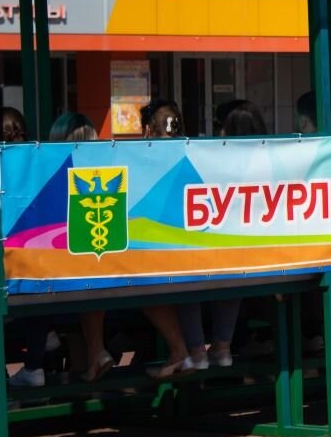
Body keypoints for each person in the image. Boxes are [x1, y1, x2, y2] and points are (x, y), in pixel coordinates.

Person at [44, 112, 195, 381]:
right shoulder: (116, 163)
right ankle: (179, 350)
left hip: (93, 282)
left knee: (87, 278)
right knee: (127, 276)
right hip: (130, 276)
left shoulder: (54, 174)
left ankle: (95, 355)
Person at [141, 100, 242, 370]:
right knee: (228, 273)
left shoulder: (144, 162)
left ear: (148, 131)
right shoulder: (202, 156)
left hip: (178, 263)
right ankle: (221, 348)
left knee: (179, 277)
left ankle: (195, 353)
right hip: (218, 256)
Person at [0, 108, 59, 387]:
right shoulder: (38, 163)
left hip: (15, 283)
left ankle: (3, 382)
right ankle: (40, 352)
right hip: (40, 277)